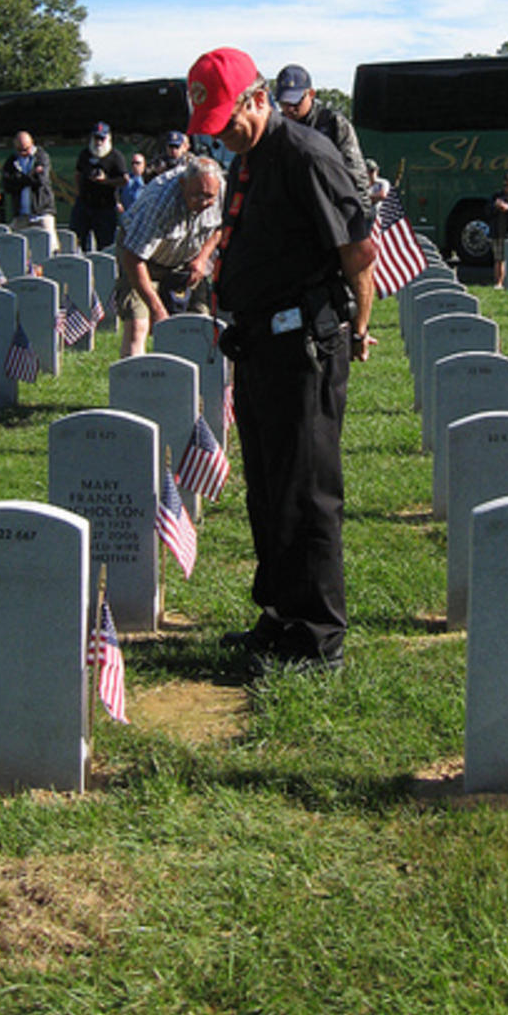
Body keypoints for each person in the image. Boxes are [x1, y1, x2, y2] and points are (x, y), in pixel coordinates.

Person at [188, 47, 375, 674]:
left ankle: (319, 636)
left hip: (307, 344)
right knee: (268, 487)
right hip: (261, 342)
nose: (220, 135)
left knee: (308, 489)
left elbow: (357, 251)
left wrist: (360, 327)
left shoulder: (306, 155)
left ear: (257, 98)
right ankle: (279, 615)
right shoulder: (248, 157)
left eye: (226, 120)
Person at [114, 156, 223, 356]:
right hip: (145, 263)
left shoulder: (221, 189)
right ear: (183, 185)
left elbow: (219, 228)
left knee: (202, 322)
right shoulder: (160, 203)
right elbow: (133, 257)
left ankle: (199, 384)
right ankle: (133, 384)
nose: (204, 202)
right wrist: (156, 308)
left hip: (187, 261)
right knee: (137, 326)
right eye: (197, 195)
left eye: (209, 196)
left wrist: (201, 258)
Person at [273, 64, 373, 214]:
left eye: (295, 102)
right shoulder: (277, 128)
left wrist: (361, 217)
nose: (289, 109)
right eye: (284, 103)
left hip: (331, 210)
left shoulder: (334, 124)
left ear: (311, 94)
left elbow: (356, 174)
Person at [70, 121, 127, 251]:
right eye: (96, 138)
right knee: (77, 240)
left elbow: (124, 180)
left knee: (105, 244)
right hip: (84, 204)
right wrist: (79, 193)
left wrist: (106, 181)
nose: (98, 142)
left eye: (102, 138)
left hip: (105, 206)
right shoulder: (85, 154)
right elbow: (78, 174)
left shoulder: (115, 157)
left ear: (108, 138)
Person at [1, 131, 57, 240]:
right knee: (15, 246)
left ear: (32, 143)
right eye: (19, 150)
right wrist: (31, 176)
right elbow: (7, 185)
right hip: (21, 215)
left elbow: (41, 180)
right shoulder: (11, 161)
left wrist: (18, 179)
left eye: (26, 149)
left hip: (42, 212)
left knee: (50, 245)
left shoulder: (41, 157)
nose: (22, 152)